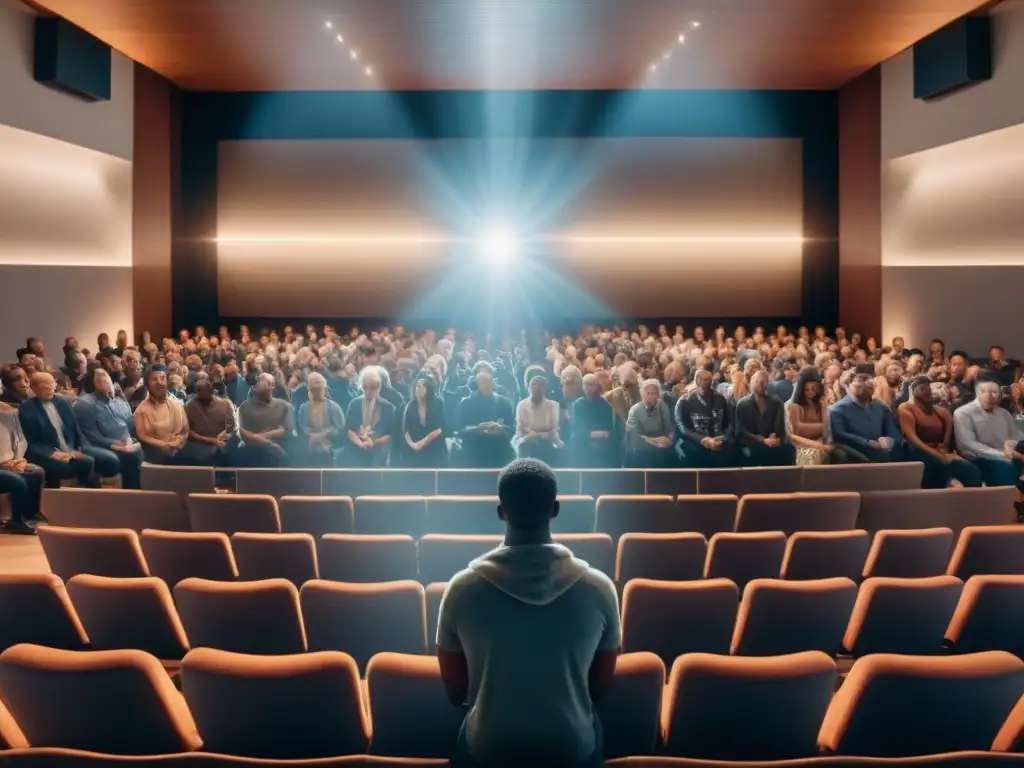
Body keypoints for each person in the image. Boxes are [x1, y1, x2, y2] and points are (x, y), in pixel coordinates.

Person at [436, 459, 620, 768]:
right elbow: (598, 689)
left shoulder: (460, 589)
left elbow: (456, 693)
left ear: (501, 512)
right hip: (571, 748)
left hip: (490, 749)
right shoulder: (599, 588)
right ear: (555, 509)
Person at [19, 372, 114, 488]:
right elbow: (28, 441)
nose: (50, 390)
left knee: (108, 460)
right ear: (34, 389)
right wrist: (52, 453)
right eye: (45, 387)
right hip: (49, 453)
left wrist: (81, 448)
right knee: (87, 462)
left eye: (52, 385)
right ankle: (86, 495)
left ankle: (89, 492)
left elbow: (75, 429)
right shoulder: (26, 409)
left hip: (72, 448)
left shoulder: (63, 402)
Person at [898, 376, 982, 489]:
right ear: (913, 391)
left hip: (940, 450)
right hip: (917, 450)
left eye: (929, 388)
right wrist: (937, 455)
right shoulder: (906, 408)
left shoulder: (942, 412)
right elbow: (912, 439)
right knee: (934, 463)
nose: (928, 391)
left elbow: (946, 439)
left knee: (972, 470)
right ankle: (949, 482)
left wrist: (946, 452)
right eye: (923, 388)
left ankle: (974, 501)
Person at [72, 367, 143, 489]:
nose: (106, 382)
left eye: (106, 377)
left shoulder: (120, 401)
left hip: (129, 442)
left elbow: (132, 425)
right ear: (92, 383)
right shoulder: (84, 404)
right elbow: (92, 436)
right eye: (100, 379)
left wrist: (137, 440)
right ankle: (133, 498)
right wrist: (116, 445)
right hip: (105, 446)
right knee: (132, 456)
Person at [954, 379, 1024, 492]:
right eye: (984, 391)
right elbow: (968, 444)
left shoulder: (1004, 413)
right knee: (1008, 466)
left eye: (994, 392)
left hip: (1009, 454)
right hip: (979, 458)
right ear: (977, 393)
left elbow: (1016, 435)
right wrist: (1002, 455)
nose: (989, 395)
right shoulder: (963, 413)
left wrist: (1013, 448)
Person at [828, 373, 904, 462]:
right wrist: (867, 442)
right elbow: (839, 434)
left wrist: (890, 441)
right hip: (855, 453)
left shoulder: (881, 407)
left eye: (868, 381)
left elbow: (894, 433)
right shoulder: (837, 410)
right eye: (860, 381)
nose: (866, 384)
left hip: (882, 451)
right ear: (848, 386)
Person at [675, 368, 737, 467]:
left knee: (730, 447)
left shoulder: (721, 399)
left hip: (719, 439)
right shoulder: (685, 401)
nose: (705, 383)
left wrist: (723, 437)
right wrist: (702, 439)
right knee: (691, 450)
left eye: (708, 380)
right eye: (702, 379)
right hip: (696, 440)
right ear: (697, 381)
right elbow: (681, 426)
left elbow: (730, 423)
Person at [0, 401, 46, 533]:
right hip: (3, 466)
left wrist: (18, 460)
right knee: (16, 481)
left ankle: (31, 516)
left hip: (9, 462)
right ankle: (17, 521)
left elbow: (20, 440)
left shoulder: (8, 411)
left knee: (37, 472)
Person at [457, 368, 515, 468]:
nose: (486, 384)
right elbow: (460, 429)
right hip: (474, 450)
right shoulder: (466, 403)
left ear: (493, 382)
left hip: (499, 449)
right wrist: (476, 429)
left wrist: (500, 429)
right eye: (483, 382)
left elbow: (512, 428)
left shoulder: (504, 403)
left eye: (489, 381)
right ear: (477, 383)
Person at [735, 370, 794, 466]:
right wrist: (762, 440)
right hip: (752, 442)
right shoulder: (743, 404)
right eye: (761, 383)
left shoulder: (776, 402)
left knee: (787, 450)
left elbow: (779, 426)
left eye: (766, 382)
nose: (764, 385)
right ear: (753, 383)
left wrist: (774, 436)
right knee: (760, 451)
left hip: (772, 441)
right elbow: (740, 430)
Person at [134, 366, 190, 464]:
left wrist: (178, 441)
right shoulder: (141, 411)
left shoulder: (176, 404)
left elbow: (185, 430)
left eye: (162, 378)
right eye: (154, 380)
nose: (159, 382)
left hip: (178, 449)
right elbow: (142, 436)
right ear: (147, 385)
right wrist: (164, 445)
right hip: (154, 454)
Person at [238, 373, 293, 467]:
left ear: (272, 386)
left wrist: (258, 436)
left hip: (278, 452)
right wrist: (268, 443)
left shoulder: (284, 406)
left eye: (260, 380)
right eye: (257, 380)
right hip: (253, 451)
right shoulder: (245, 406)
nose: (257, 382)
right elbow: (243, 432)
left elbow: (287, 429)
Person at [344, 367, 395, 467]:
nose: (368, 391)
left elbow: (391, 433)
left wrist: (374, 442)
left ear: (379, 388)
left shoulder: (388, 407)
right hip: (356, 452)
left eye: (372, 388)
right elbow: (349, 428)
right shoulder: (354, 404)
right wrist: (359, 443)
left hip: (379, 454)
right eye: (365, 387)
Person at [183, 378, 238, 466]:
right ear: (196, 391)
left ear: (212, 390)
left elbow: (232, 427)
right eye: (200, 391)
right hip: (197, 447)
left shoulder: (225, 404)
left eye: (206, 391)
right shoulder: (189, 407)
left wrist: (225, 435)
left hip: (221, 446)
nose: (204, 395)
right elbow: (187, 430)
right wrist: (210, 440)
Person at [296, 372, 346, 467]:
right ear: (309, 389)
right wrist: (313, 436)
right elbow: (302, 428)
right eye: (314, 390)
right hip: (310, 450)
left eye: (320, 389)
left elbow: (340, 427)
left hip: (330, 449)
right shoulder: (304, 407)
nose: (317, 392)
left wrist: (324, 434)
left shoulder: (333, 407)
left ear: (324, 389)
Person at [624, 379, 675, 468]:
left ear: (658, 395)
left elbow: (670, 427)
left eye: (653, 393)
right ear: (642, 395)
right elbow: (632, 435)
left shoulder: (663, 406)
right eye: (648, 393)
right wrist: (652, 440)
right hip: (641, 445)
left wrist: (669, 439)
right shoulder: (635, 410)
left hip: (661, 445)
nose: (651, 396)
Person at [514, 376, 563, 465]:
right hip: (527, 440)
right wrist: (526, 437)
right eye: (534, 384)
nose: (537, 387)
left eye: (541, 385)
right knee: (525, 447)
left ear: (545, 389)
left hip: (547, 440)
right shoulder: (522, 405)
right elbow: (519, 429)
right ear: (528, 388)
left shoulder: (553, 405)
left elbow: (554, 428)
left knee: (555, 450)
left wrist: (556, 441)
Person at [571, 374, 618, 468]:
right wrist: (592, 434)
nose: (588, 388)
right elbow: (578, 430)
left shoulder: (606, 405)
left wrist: (602, 434)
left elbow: (609, 430)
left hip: (603, 446)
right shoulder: (578, 404)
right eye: (586, 384)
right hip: (584, 445)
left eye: (592, 385)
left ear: (598, 386)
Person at [402, 375, 447, 468]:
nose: (419, 389)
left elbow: (441, 427)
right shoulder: (410, 406)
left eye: (423, 386)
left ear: (429, 389)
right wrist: (412, 445)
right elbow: (406, 430)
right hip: (415, 449)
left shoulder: (438, 403)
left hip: (435, 448)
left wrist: (425, 441)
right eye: (417, 386)